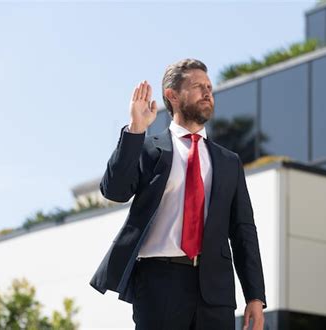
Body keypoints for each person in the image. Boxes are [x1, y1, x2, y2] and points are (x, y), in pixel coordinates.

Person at [90, 58, 266, 330]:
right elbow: (114, 191)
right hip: (159, 285)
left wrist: (255, 295)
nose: (207, 92)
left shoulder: (229, 161)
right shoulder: (148, 149)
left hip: (215, 291)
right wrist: (136, 131)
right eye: (197, 86)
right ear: (172, 95)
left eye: (209, 86)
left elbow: (243, 231)